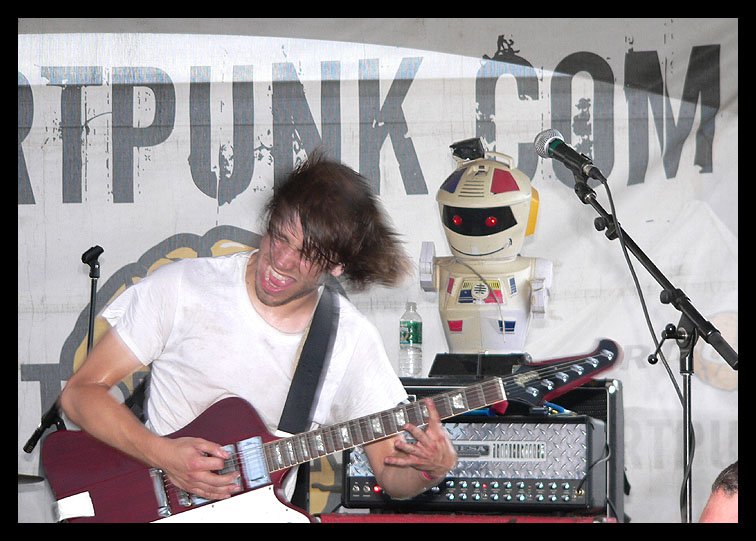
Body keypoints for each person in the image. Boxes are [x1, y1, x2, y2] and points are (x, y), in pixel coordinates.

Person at [59, 152, 458, 519]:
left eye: (307, 254)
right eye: (279, 236)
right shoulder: (183, 286)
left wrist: (429, 469)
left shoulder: (350, 340)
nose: (280, 261)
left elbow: (392, 475)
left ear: (336, 265)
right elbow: (79, 394)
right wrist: (163, 455)